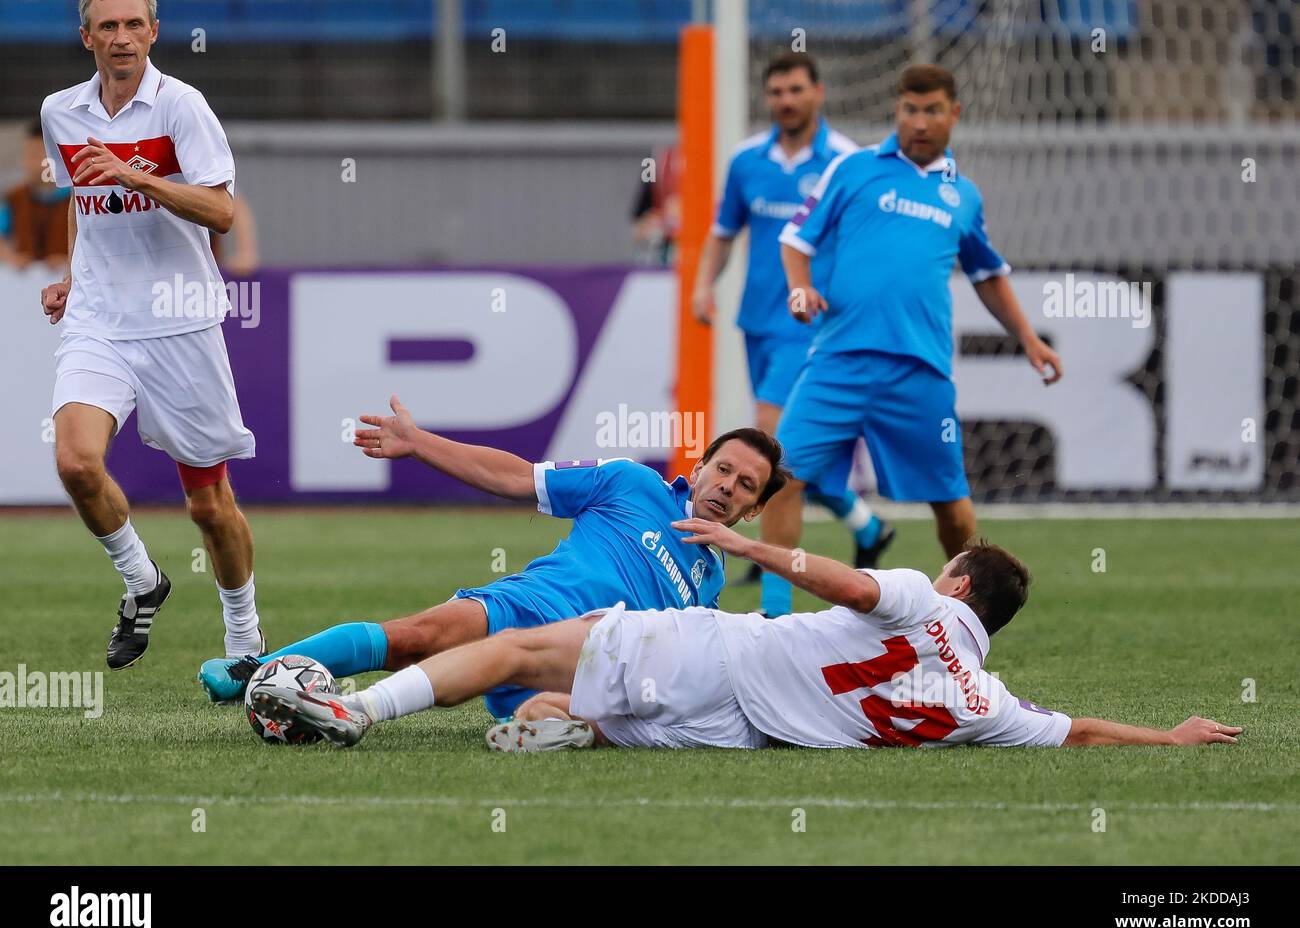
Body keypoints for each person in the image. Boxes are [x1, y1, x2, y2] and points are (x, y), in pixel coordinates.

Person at [250, 528, 1242, 753]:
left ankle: (353, 707)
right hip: (736, 732)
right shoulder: (983, 701)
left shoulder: (916, 595)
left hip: (720, 651)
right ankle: (571, 724)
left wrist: (745, 541)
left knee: (521, 650)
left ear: (956, 582)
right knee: (577, 696)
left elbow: (845, 580)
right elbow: (1073, 731)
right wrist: (1170, 737)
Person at [199, 395, 788, 720]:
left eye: (745, 486)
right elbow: (516, 478)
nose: (728, 486)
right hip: (529, 603)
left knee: (563, 709)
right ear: (700, 466)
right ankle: (253, 673)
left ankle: (542, 721)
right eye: (724, 469)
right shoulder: (631, 483)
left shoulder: (710, 584)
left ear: (753, 510)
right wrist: (419, 443)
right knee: (418, 635)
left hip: (586, 661)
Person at [39, 0, 261, 669]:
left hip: (180, 321)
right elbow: (84, 198)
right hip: (100, 321)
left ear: (155, 33)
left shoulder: (182, 106)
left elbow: (221, 209)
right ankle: (142, 579)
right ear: (87, 38)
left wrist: (139, 175)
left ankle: (246, 638)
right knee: (76, 462)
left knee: (208, 506)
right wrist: (76, 277)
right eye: (108, 26)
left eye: (134, 25)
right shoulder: (60, 112)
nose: (122, 37)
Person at [769, 64, 1064, 566]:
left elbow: (987, 273)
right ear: (897, 110)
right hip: (838, 360)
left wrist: (1028, 338)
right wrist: (801, 290)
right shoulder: (853, 168)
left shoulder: (963, 196)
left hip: (918, 371)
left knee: (952, 508)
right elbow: (796, 239)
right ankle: (774, 614)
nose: (920, 122)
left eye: (931, 111)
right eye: (910, 110)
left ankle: (962, 610)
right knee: (778, 479)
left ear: (954, 113)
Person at [693, 52, 892, 612]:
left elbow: (867, 245)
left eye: (796, 90)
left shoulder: (848, 161)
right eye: (777, 91)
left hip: (810, 329)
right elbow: (723, 231)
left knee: (767, 447)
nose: (786, 100)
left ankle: (776, 605)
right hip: (757, 323)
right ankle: (868, 525)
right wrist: (703, 286)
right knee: (793, 460)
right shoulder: (746, 160)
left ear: (818, 93)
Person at [0, 120, 73, 272]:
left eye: (36, 155)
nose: (27, 162)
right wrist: (10, 257)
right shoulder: (15, 198)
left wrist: (71, 259)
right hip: (23, 288)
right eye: (26, 155)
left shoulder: (76, 197)